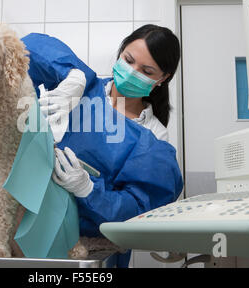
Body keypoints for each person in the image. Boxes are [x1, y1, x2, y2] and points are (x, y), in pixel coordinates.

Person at [21, 24, 183, 267]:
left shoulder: (154, 138)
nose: (131, 72)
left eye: (146, 71)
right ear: (120, 53)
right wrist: (73, 75)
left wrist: (88, 189)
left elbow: (140, 208)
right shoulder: (81, 87)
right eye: (128, 60)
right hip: (31, 231)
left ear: (163, 79)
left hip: (94, 252)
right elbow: (27, 46)